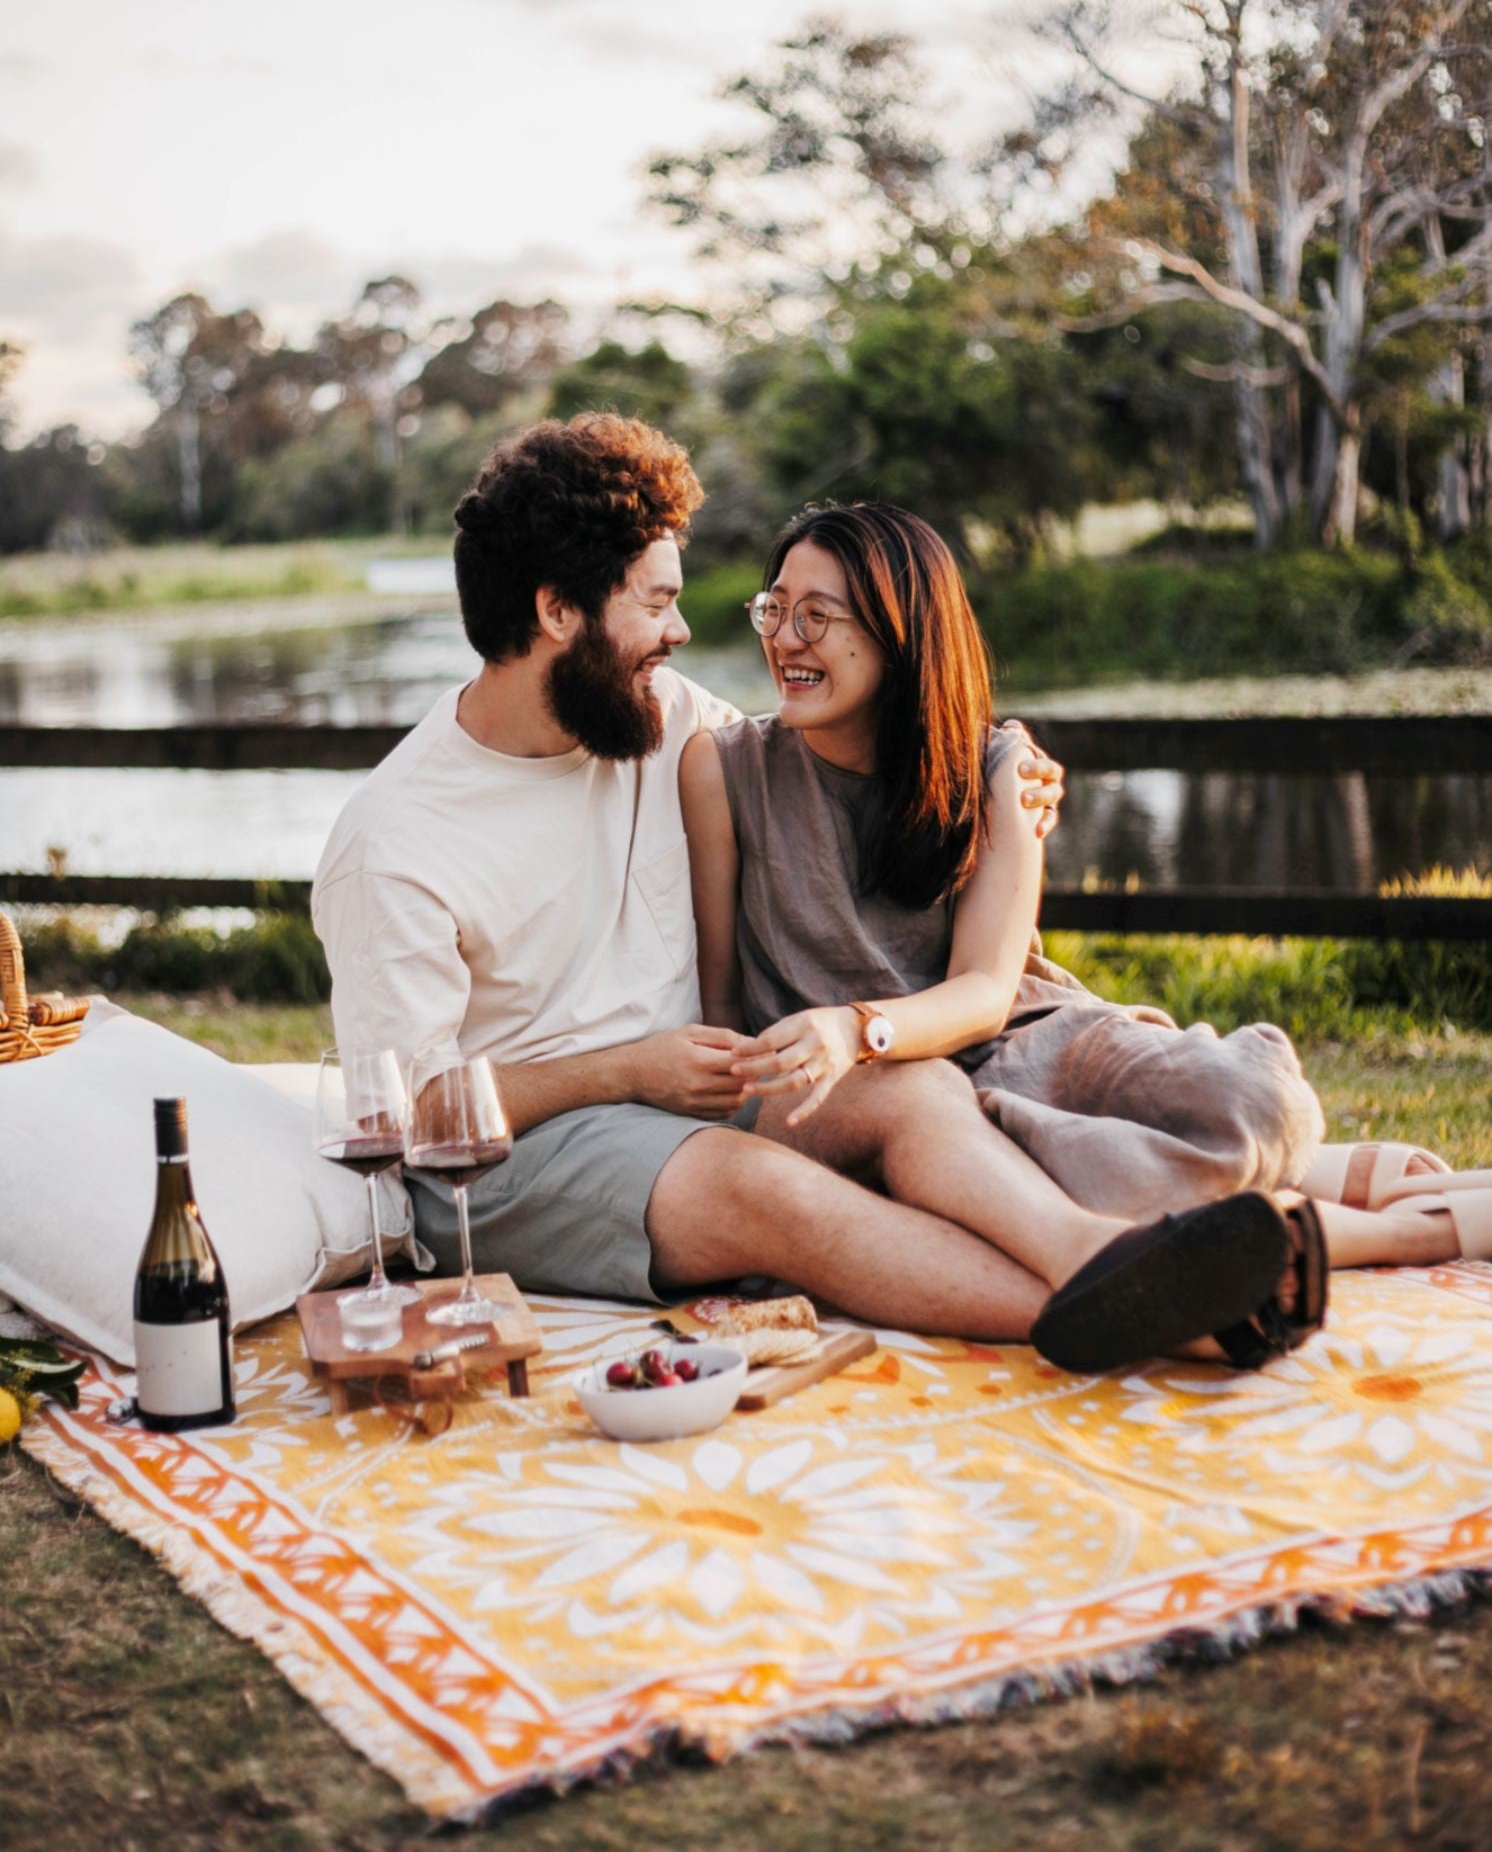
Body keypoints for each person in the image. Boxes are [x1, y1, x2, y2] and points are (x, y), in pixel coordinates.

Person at [312, 415, 1318, 1367]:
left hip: (695, 1096)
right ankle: (1173, 1317)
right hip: (507, 1164)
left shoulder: (651, 715)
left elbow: (840, 716)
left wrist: (1000, 769)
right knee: (768, 1190)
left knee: (906, 1085)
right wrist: (626, 1070)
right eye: (657, 602)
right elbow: (409, 1112)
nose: (676, 633)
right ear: (556, 610)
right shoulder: (396, 838)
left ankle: (1092, 1252)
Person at [678, 499, 1491, 1367]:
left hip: (1023, 1035)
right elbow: (725, 996)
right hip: (884, 1104)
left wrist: (859, 1023)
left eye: (817, 616)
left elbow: (989, 994)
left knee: (1263, 1104)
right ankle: (1411, 1226)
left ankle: (1324, 1184)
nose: (785, 639)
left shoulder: (996, 767)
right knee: (1048, 1181)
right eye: (774, 610)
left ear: (900, 631)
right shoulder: (723, 769)